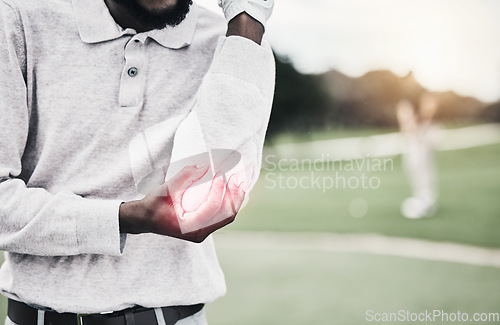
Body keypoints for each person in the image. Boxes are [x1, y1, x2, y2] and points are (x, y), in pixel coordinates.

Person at [0, 0, 275, 324]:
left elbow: (212, 198)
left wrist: (247, 20)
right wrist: (124, 217)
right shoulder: (18, 18)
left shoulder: (237, 43)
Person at [396, 92, 438, 219]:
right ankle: (424, 200)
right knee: (417, 177)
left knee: (425, 176)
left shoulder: (423, 120)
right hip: (412, 152)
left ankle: (427, 201)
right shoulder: (411, 120)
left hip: (421, 152)